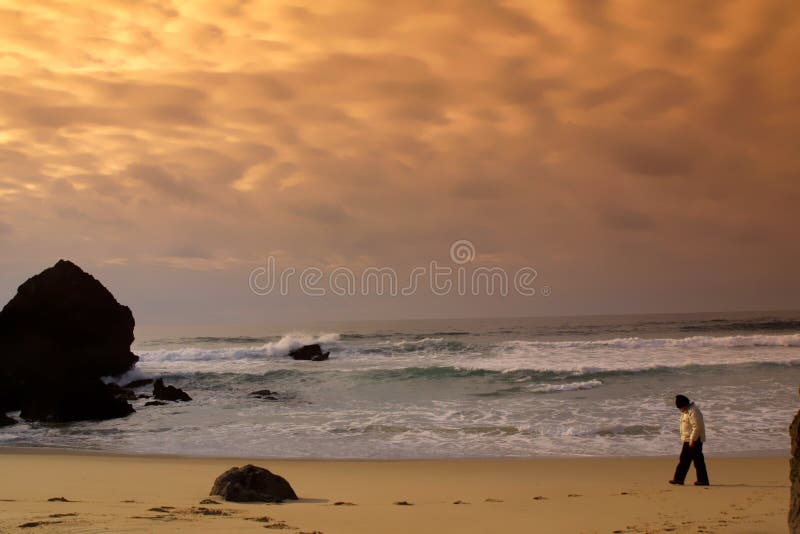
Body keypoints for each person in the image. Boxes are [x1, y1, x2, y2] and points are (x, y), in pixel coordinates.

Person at [668, 394, 710, 486]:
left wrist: (692, 439)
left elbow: (697, 427)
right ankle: (679, 479)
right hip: (688, 439)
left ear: (684, 405)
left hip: (694, 440)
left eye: (680, 408)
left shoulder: (693, 411)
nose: (680, 410)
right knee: (684, 460)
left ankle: (703, 480)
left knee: (697, 461)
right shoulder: (686, 411)